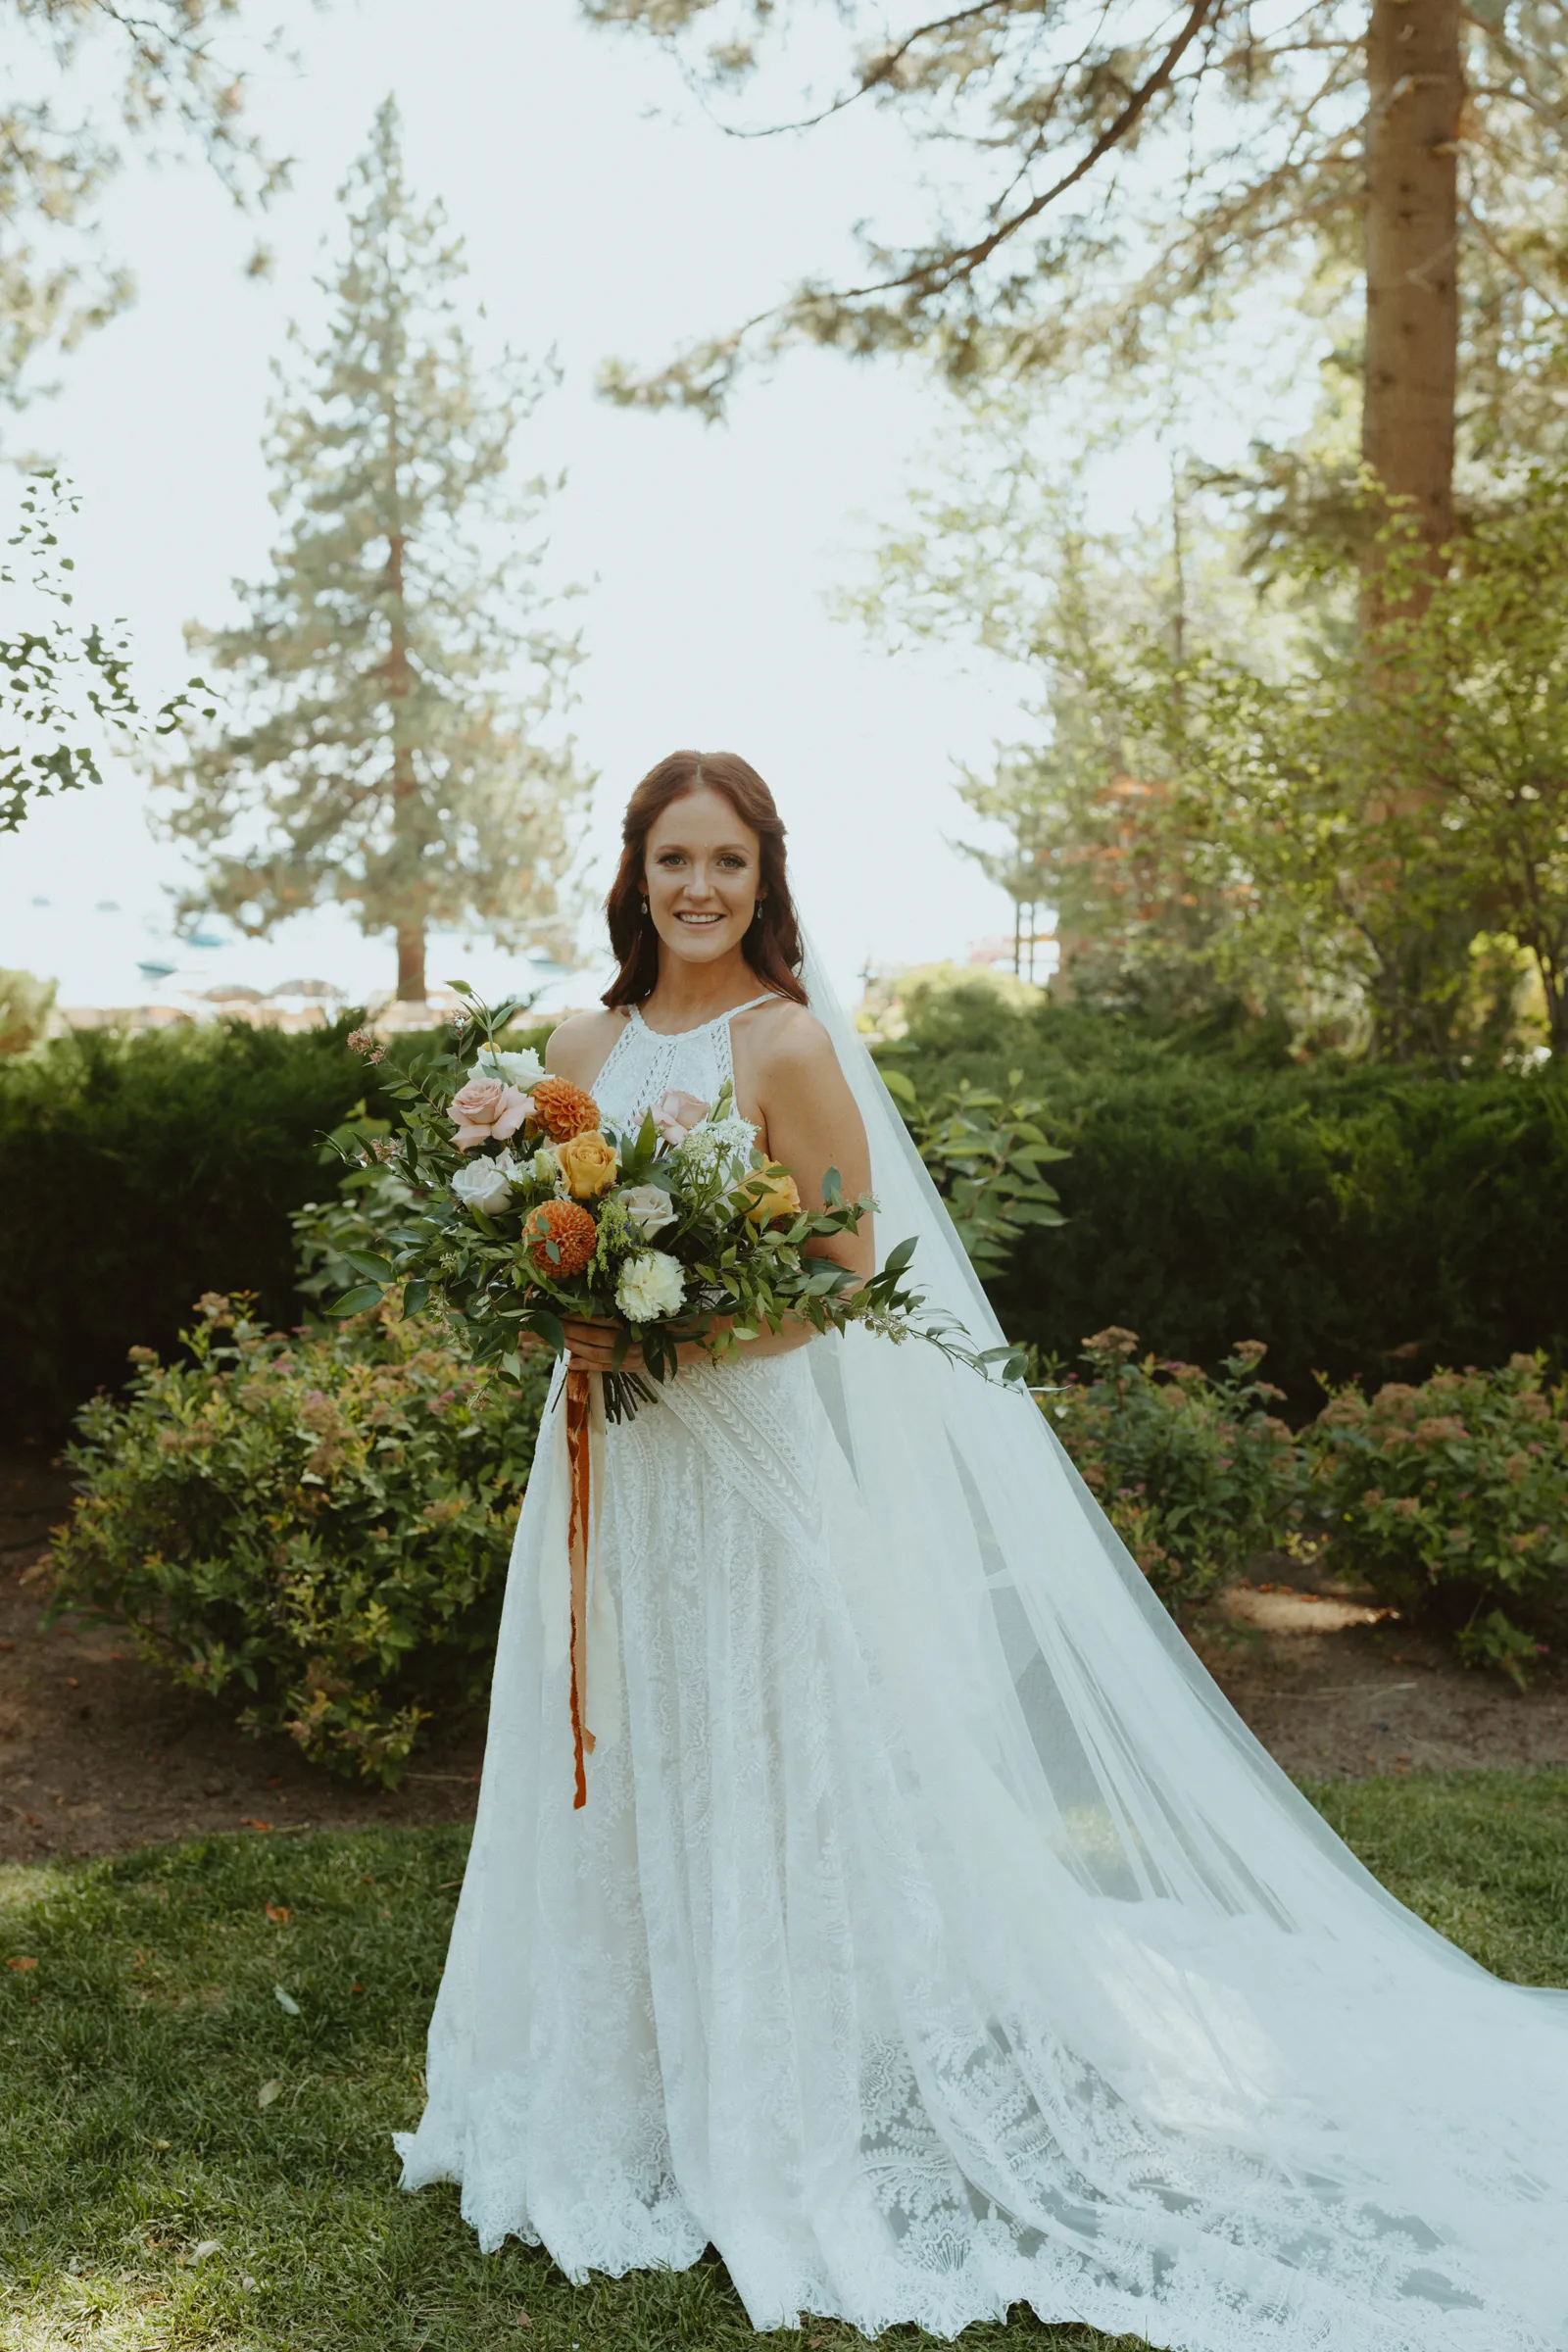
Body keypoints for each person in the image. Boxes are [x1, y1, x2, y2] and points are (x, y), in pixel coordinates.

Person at [397, 750, 1568, 2351]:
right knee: (620, 1742)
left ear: (766, 878)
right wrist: (567, 1310)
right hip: (605, 1455)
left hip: (737, 1455)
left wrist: (664, 1326)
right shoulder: (572, 1045)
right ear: (632, 870)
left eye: (727, 862)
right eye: (674, 858)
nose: (698, 889)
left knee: (763, 1749)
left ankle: (784, 2074)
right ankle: (628, 2074)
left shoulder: (788, 1043)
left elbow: (838, 1275)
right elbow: (538, 1224)